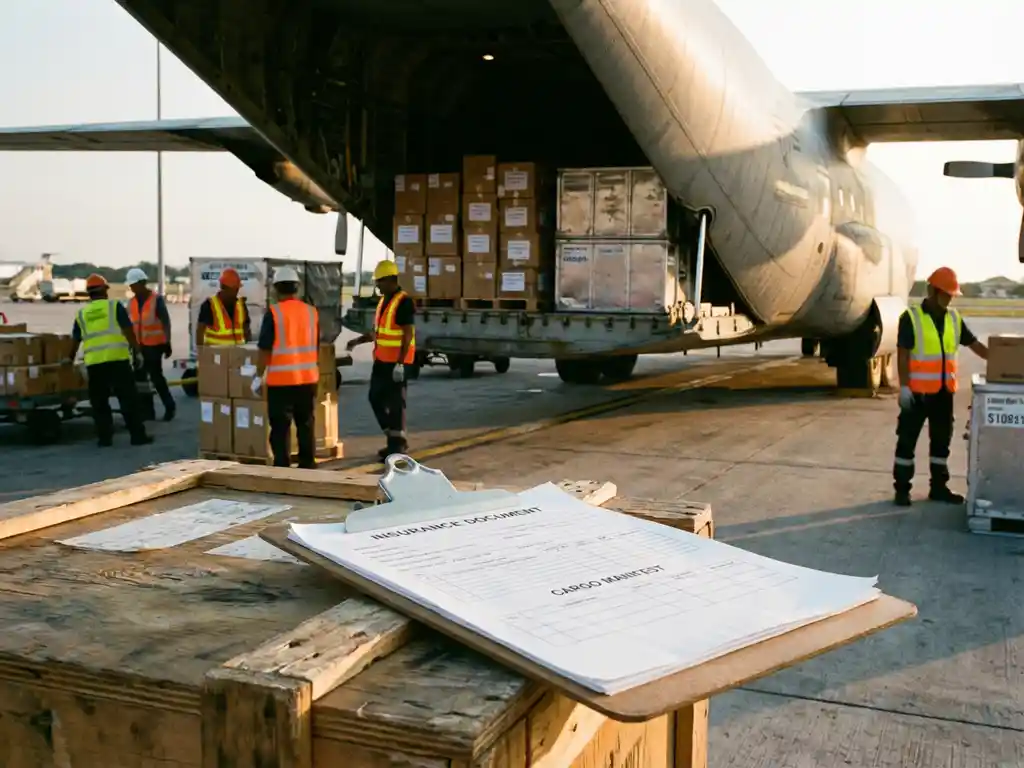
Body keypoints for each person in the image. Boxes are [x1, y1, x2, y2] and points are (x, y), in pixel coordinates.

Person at [893, 266, 988, 507]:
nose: (949, 299)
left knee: (941, 443)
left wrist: (1003, 358)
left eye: (951, 296)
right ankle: (902, 489)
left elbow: (974, 345)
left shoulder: (954, 319)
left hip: (944, 393)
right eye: (946, 294)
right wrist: (904, 387)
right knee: (906, 441)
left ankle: (939, 487)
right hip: (917, 393)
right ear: (933, 291)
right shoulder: (912, 317)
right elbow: (903, 354)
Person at [68, 274, 154, 447]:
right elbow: (128, 331)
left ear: (88, 293)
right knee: (128, 400)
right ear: (105, 290)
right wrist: (137, 352)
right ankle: (137, 436)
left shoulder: (82, 314)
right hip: (118, 360)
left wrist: (68, 360)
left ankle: (104, 438)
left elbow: (75, 340)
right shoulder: (114, 306)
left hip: (94, 364)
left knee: (99, 403)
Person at [346, 260, 416, 460]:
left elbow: (408, 334)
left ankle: (397, 446)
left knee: (396, 404)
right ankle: (394, 439)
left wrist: (401, 364)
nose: (377, 285)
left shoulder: (403, 302)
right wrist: (358, 340)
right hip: (381, 362)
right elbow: (379, 333)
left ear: (391, 280)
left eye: (380, 281)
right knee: (375, 398)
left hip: (396, 363)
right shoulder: (384, 302)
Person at [251, 266, 320, 468]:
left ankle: (282, 466)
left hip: (281, 383)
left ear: (275, 289)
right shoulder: (311, 312)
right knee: (306, 425)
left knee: (280, 429)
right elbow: (315, 345)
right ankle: (308, 464)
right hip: (307, 379)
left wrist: (257, 377)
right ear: (296, 288)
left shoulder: (274, 313)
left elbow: (265, 348)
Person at [126, 267, 175, 421]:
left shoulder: (156, 299)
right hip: (138, 346)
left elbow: (165, 322)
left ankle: (169, 406)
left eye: (134, 285)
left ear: (142, 283)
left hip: (154, 345)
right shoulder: (131, 303)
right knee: (140, 379)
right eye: (131, 285)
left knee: (156, 377)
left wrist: (167, 342)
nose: (132, 288)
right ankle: (148, 411)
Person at [195, 268, 250, 347]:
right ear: (225, 288)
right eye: (235, 289)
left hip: (237, 356)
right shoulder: (209, 305)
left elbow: (246, 330)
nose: (237, 291)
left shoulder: (241, 305)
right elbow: (200, 331)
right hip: (215, 356)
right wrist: (201, 354)